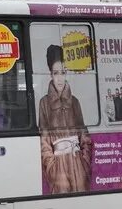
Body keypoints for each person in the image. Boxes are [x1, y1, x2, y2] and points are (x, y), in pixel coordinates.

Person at [38, 44, 92, 194]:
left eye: (63, 72)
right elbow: (44, 140)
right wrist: (53, 168)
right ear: (51, 75)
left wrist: (84, 161)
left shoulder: (74, 101)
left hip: (78, 166)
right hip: (59, 169)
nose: (60, 78)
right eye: (56, 73)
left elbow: (84, 134)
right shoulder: (44, 103)